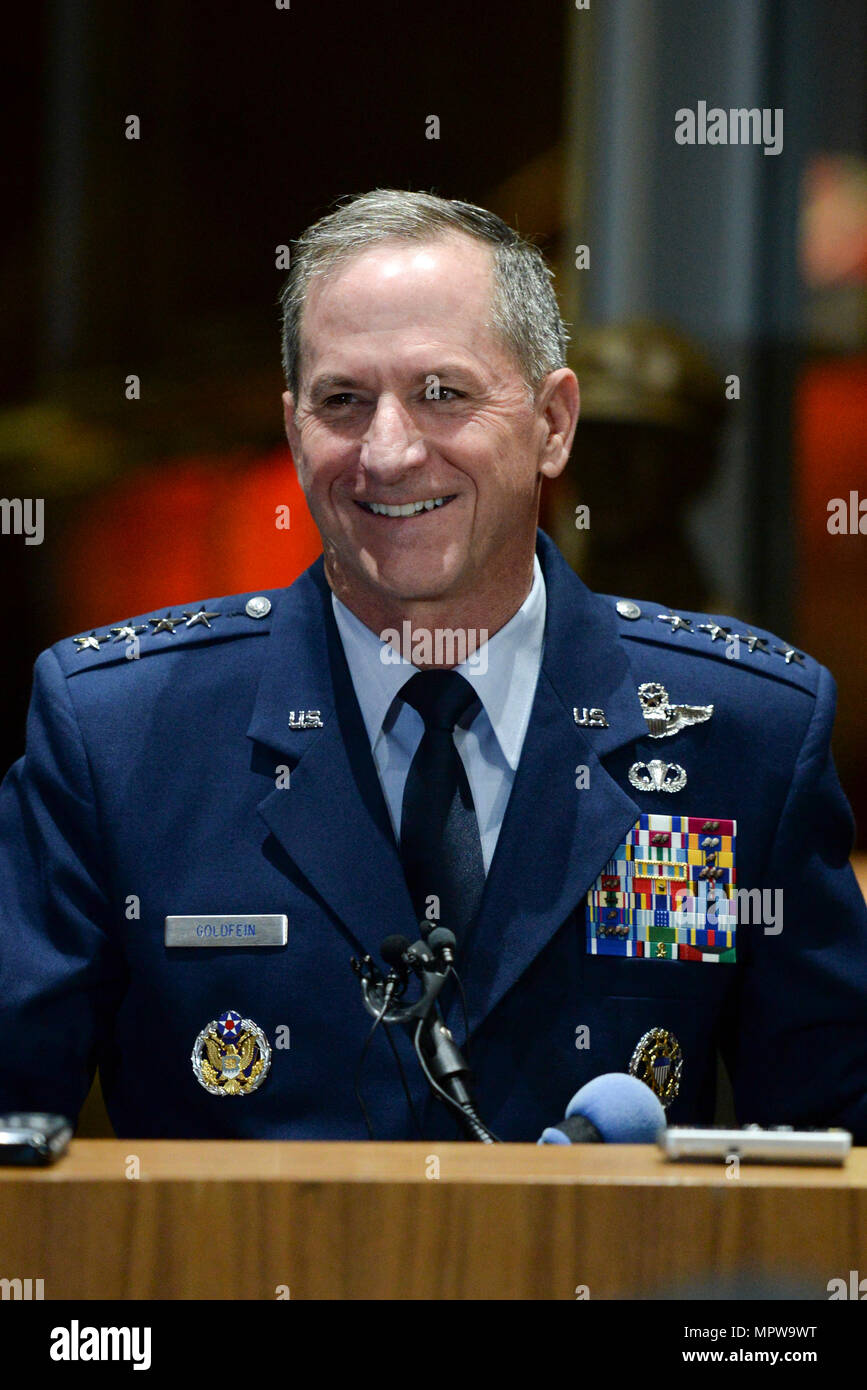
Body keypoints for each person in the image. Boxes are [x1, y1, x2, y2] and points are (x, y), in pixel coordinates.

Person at [1, 189, 866, 1142]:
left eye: (442, 394)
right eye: (342, 401)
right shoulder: (121, 732)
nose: (387, 452)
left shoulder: (741, 733)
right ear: (293, 431)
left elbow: (841, 1149)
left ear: (552, 422)